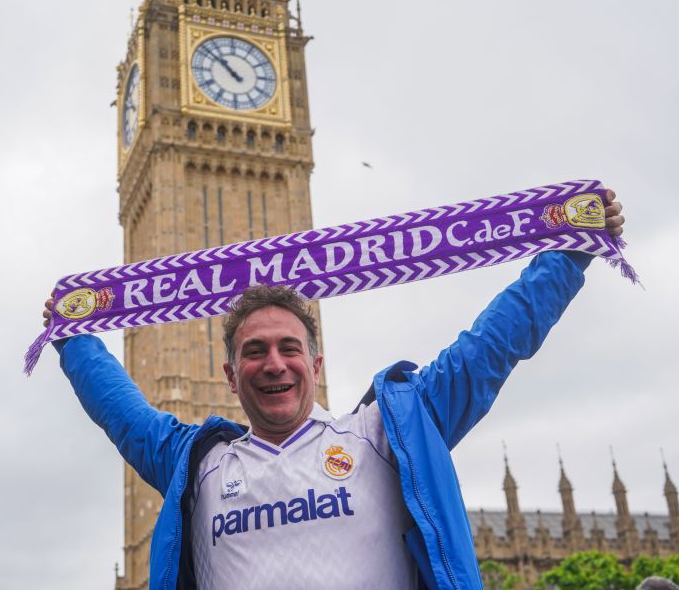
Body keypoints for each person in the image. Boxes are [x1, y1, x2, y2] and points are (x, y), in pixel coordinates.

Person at [44, 193, 625, 590]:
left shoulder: (387, 435)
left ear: (315, 365)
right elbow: (122, 415)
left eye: (288, 349)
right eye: (254, 351)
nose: (275, 364)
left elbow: (492, 347)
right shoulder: (198, 464)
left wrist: (572, 252)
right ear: (229, 375)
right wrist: (71, 339)